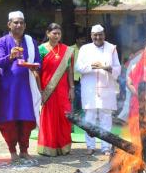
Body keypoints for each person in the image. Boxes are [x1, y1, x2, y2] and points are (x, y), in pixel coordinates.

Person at [0, 11, 41, 162]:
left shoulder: (30, 42)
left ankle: (24, 150)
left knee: (27, 119)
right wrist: (11, 56)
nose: (19, 25)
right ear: (9, 24)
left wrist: (35, 66)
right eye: (15, 22)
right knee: (9, 120)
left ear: (25, 25)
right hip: (8, 88)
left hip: (27, 87)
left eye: (21, 22)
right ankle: (12, 150)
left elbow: (39, 62)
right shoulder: (2, 42)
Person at [75, 24, 121, 156]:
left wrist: (107, 68)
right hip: (89, 88)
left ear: (104, 35)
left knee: (106, 118)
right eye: (95, 35)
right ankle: (90, 146)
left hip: (106, 88)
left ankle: (106, 147)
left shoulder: (112, 48)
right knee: (89, 118)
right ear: (91, 36)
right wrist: (92, 66)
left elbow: (117, 68)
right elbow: (78, 67)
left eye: (100, 34)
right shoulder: (85, 48)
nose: (97, 37)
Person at [37, 23, 74, 156]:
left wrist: (72, 88)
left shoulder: (67, 50)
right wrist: (39, 90)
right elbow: (37, 72)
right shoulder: (41, 49)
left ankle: (63, 146)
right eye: (54, 33)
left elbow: (70, 71)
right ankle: (48, 147)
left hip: (63, 89)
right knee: (49, 117)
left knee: (64, 117)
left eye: (59, 33)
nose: (57, 36)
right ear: (48, 34)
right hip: (47, 90)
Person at [71, 31, 86, 114]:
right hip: (74, 77)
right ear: (77, 40)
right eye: (81, 39)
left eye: (84, 39)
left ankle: (79, 113)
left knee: (81, 95)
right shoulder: (71, 49)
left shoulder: (86, 50)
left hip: (84, 77)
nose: (83, 41)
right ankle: (74, 112)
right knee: (75, 95)